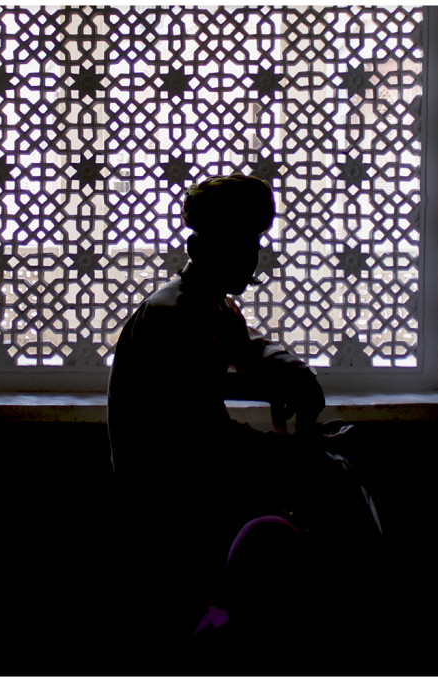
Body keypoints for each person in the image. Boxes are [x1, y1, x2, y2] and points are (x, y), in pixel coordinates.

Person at [106, 173, 380, 666]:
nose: (254, 258)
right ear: (207, 241)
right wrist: (296, 451)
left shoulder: (201, 305)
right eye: (247, 241)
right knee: (337, 479)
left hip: (195, 480)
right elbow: (201, 444)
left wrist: (287, 368)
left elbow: (245, 345)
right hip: (175, 502)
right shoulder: (174, 319)